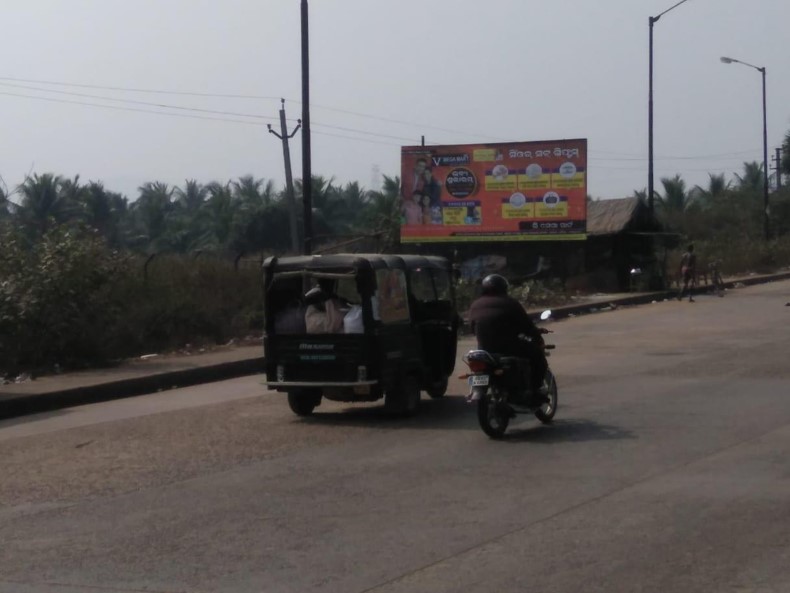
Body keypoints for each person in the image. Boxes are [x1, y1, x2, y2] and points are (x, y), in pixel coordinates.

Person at [468, 274, 548, 403]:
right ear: (503, 288)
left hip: (485, 350)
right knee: (538, 355)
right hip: (510, 348)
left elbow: (472, 328)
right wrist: (538, 339)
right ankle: (536, 389)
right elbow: (527, 326)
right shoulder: (510, 303)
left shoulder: (475, 305)